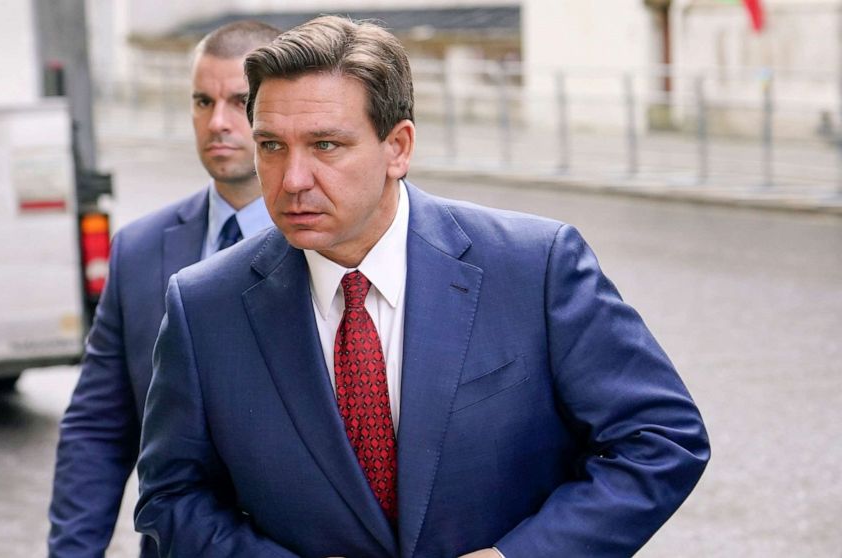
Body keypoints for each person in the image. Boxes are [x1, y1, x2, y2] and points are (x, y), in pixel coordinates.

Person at [135, 15, 710, 558]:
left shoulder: (535, 266)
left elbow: (661, 438)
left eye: (326, 145)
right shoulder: (203, 306)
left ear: (399, 147)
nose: (293, 179)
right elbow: (171, 497)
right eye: (271, 146)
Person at [47, 20, 280, 558]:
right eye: (202, 101)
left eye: (240, 102)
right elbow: (99, 428)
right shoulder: (140, 250)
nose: (217, 122)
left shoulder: (327, 242)